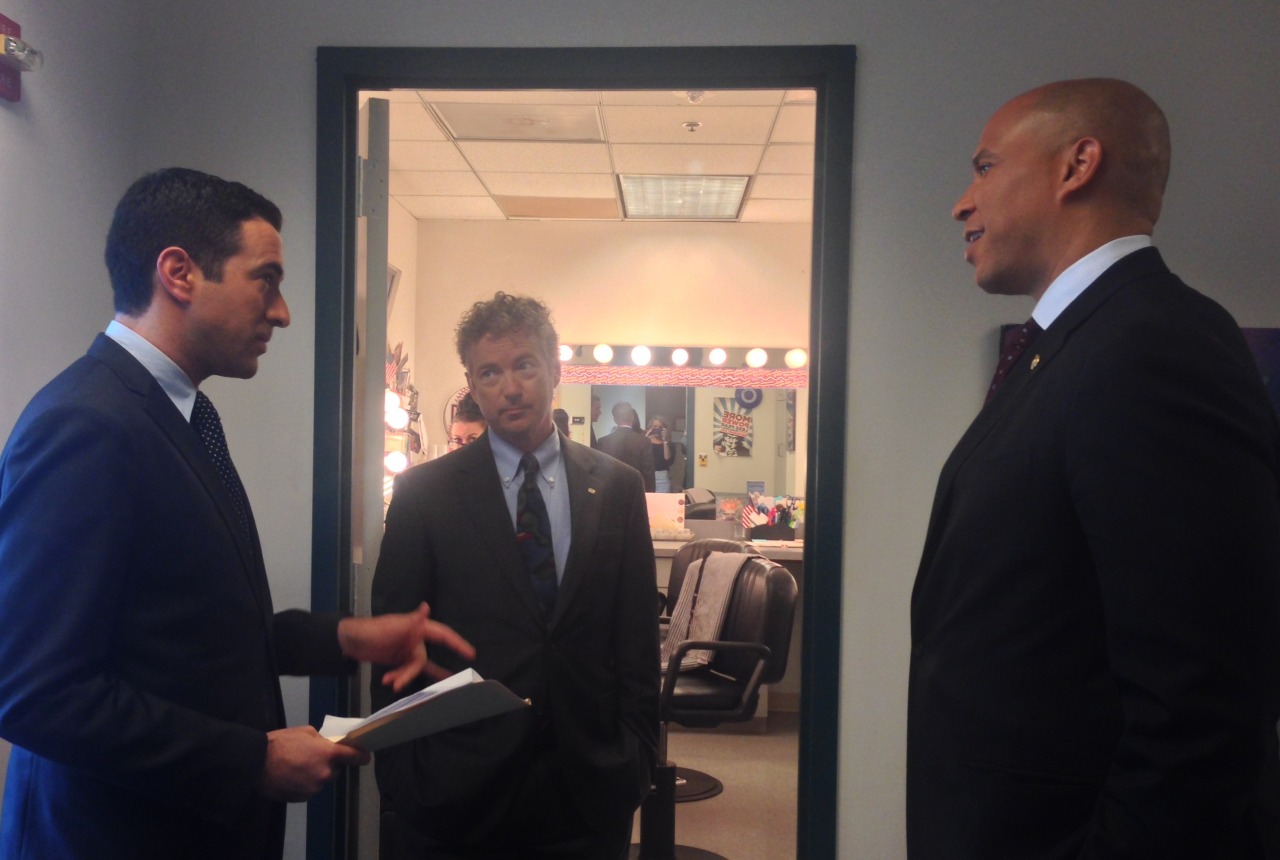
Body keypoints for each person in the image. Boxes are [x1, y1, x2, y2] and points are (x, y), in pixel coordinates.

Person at [0, 168, 475, 860]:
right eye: (267, 280)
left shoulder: (176, 414)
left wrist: (346, 638)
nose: (281, 312)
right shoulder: (87, 424)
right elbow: (37, 693)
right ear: (179, 273)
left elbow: (183, 634)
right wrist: (249, 759)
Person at [907, 79, 1280, 858]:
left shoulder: (1152, 346)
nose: (961, 203)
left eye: (984, 167)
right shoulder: (1071, 347)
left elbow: (1203, 708)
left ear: (1077, 165)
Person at [370, 292, 659, 859]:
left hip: (589, 782)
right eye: (490, 372)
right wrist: (405, 778)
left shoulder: (618, 487)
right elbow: (393, 646)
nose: (510, 386)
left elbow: (636, 639)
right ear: (473, 386)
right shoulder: (423, 495)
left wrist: (638, 757)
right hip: (457, 787)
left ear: (555, 368)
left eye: (524, 365)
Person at [597, 401, 656, 492]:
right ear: (632, 417)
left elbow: (600, 472)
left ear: (615, 419)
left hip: (611, 491)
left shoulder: (603, 442)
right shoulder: (644, 441)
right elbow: (648, 471)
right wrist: (650, 492)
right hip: (636, 491)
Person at [645, 415, 674, 492]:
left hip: (663, 478)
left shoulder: (668, 443)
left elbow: (667, 459)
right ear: (651, 427)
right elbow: (640, 457)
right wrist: (646, 436)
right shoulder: (646, 441)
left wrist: (665, 441)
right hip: (648, 476)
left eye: (660, 426)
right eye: (655, 426)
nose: (657, 428)